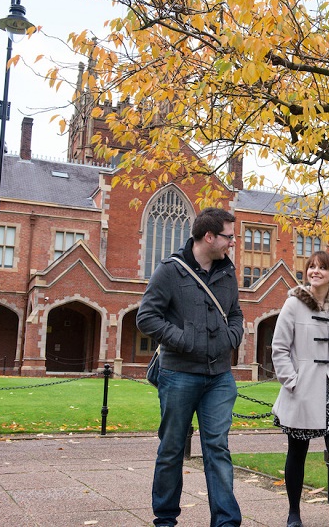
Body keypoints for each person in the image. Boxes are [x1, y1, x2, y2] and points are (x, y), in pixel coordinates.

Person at [137, 207, 244, 527]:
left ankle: (226, 522)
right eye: (229, 236)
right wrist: (183, 340)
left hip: (219, 376)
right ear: (209, 236)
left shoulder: (228, 271)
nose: (233, 242)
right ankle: (165, 518)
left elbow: (235, 313)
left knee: (217, 448)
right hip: (178, 374)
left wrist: (232, 336)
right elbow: (146, 318)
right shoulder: (170, 271)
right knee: (172, 449)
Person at [271, 251, 329, 527]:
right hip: (302, 387)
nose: (315, 271)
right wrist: (291, 381)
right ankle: (294, 513)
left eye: (322, 268)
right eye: (311, 267)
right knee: (298, 450)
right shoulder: (293, 304)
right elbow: (279, 348)